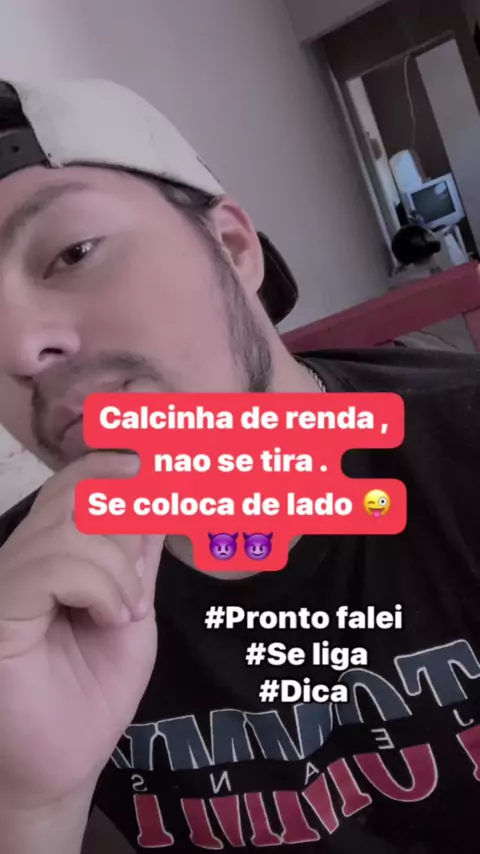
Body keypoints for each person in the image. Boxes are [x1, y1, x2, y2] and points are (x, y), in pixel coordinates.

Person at [0, 77, 479, 854]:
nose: (20, 349)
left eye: (72, 254)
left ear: (232, 248)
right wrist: (29, 808)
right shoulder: (16, 615)